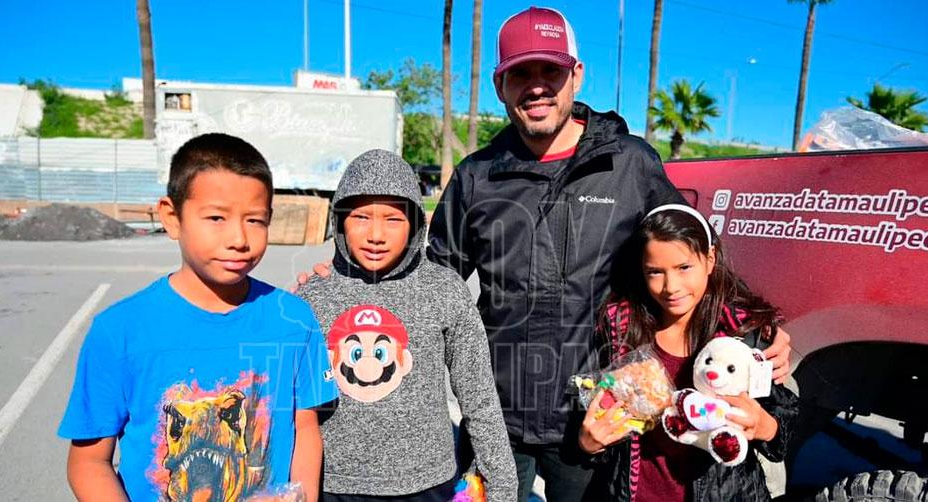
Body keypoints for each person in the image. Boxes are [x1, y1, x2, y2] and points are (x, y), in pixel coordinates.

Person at [424, 7, 792, 502]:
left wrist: (756, 331)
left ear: (576, 75)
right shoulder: (476, 176)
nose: (537, 87)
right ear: (500, 86)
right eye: (521, 74)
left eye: (551, 70)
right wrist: (353, 280)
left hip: (599, 419)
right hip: (495, 415)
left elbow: (692, 255)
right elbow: (434, 281)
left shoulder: (629, 164)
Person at [58, 133, 338, 501]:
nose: (239, 238)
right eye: (216, 217)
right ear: (171, 217)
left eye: (255, 220)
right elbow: (89, 462)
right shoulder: (119, 331)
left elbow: (305, 428)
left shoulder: (294, 320)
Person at [296, 149, 517, 502]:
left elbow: (480, 398)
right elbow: (290, 408)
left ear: (416, 223)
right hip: (335, 485)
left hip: (428, 484)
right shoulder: (311, 296)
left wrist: (502, 487)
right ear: (339, 221)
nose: (376, 234)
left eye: (393, 219)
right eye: (361, 217)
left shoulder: (445, 290)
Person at [578, 204, 798, 501]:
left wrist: (763, 425)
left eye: (684, 268)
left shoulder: (744, 334)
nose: (671, 287)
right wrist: (590, 443)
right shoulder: (622, 329)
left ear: (710, 259)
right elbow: (606, 417)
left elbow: (782, 428)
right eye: (655, 272)